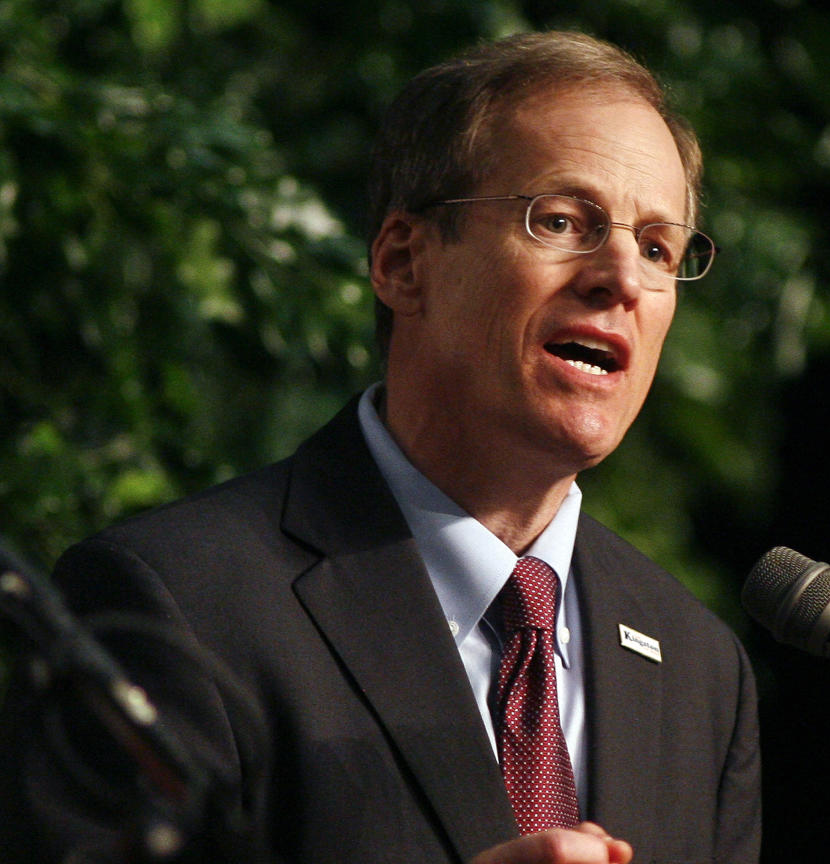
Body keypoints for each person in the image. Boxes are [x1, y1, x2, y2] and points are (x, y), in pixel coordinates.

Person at [0, 31, 760, 864]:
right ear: (404, 263)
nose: (620, 275)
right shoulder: (176, 604)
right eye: (561, 220)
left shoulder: (699, 671)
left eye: (658, 248)